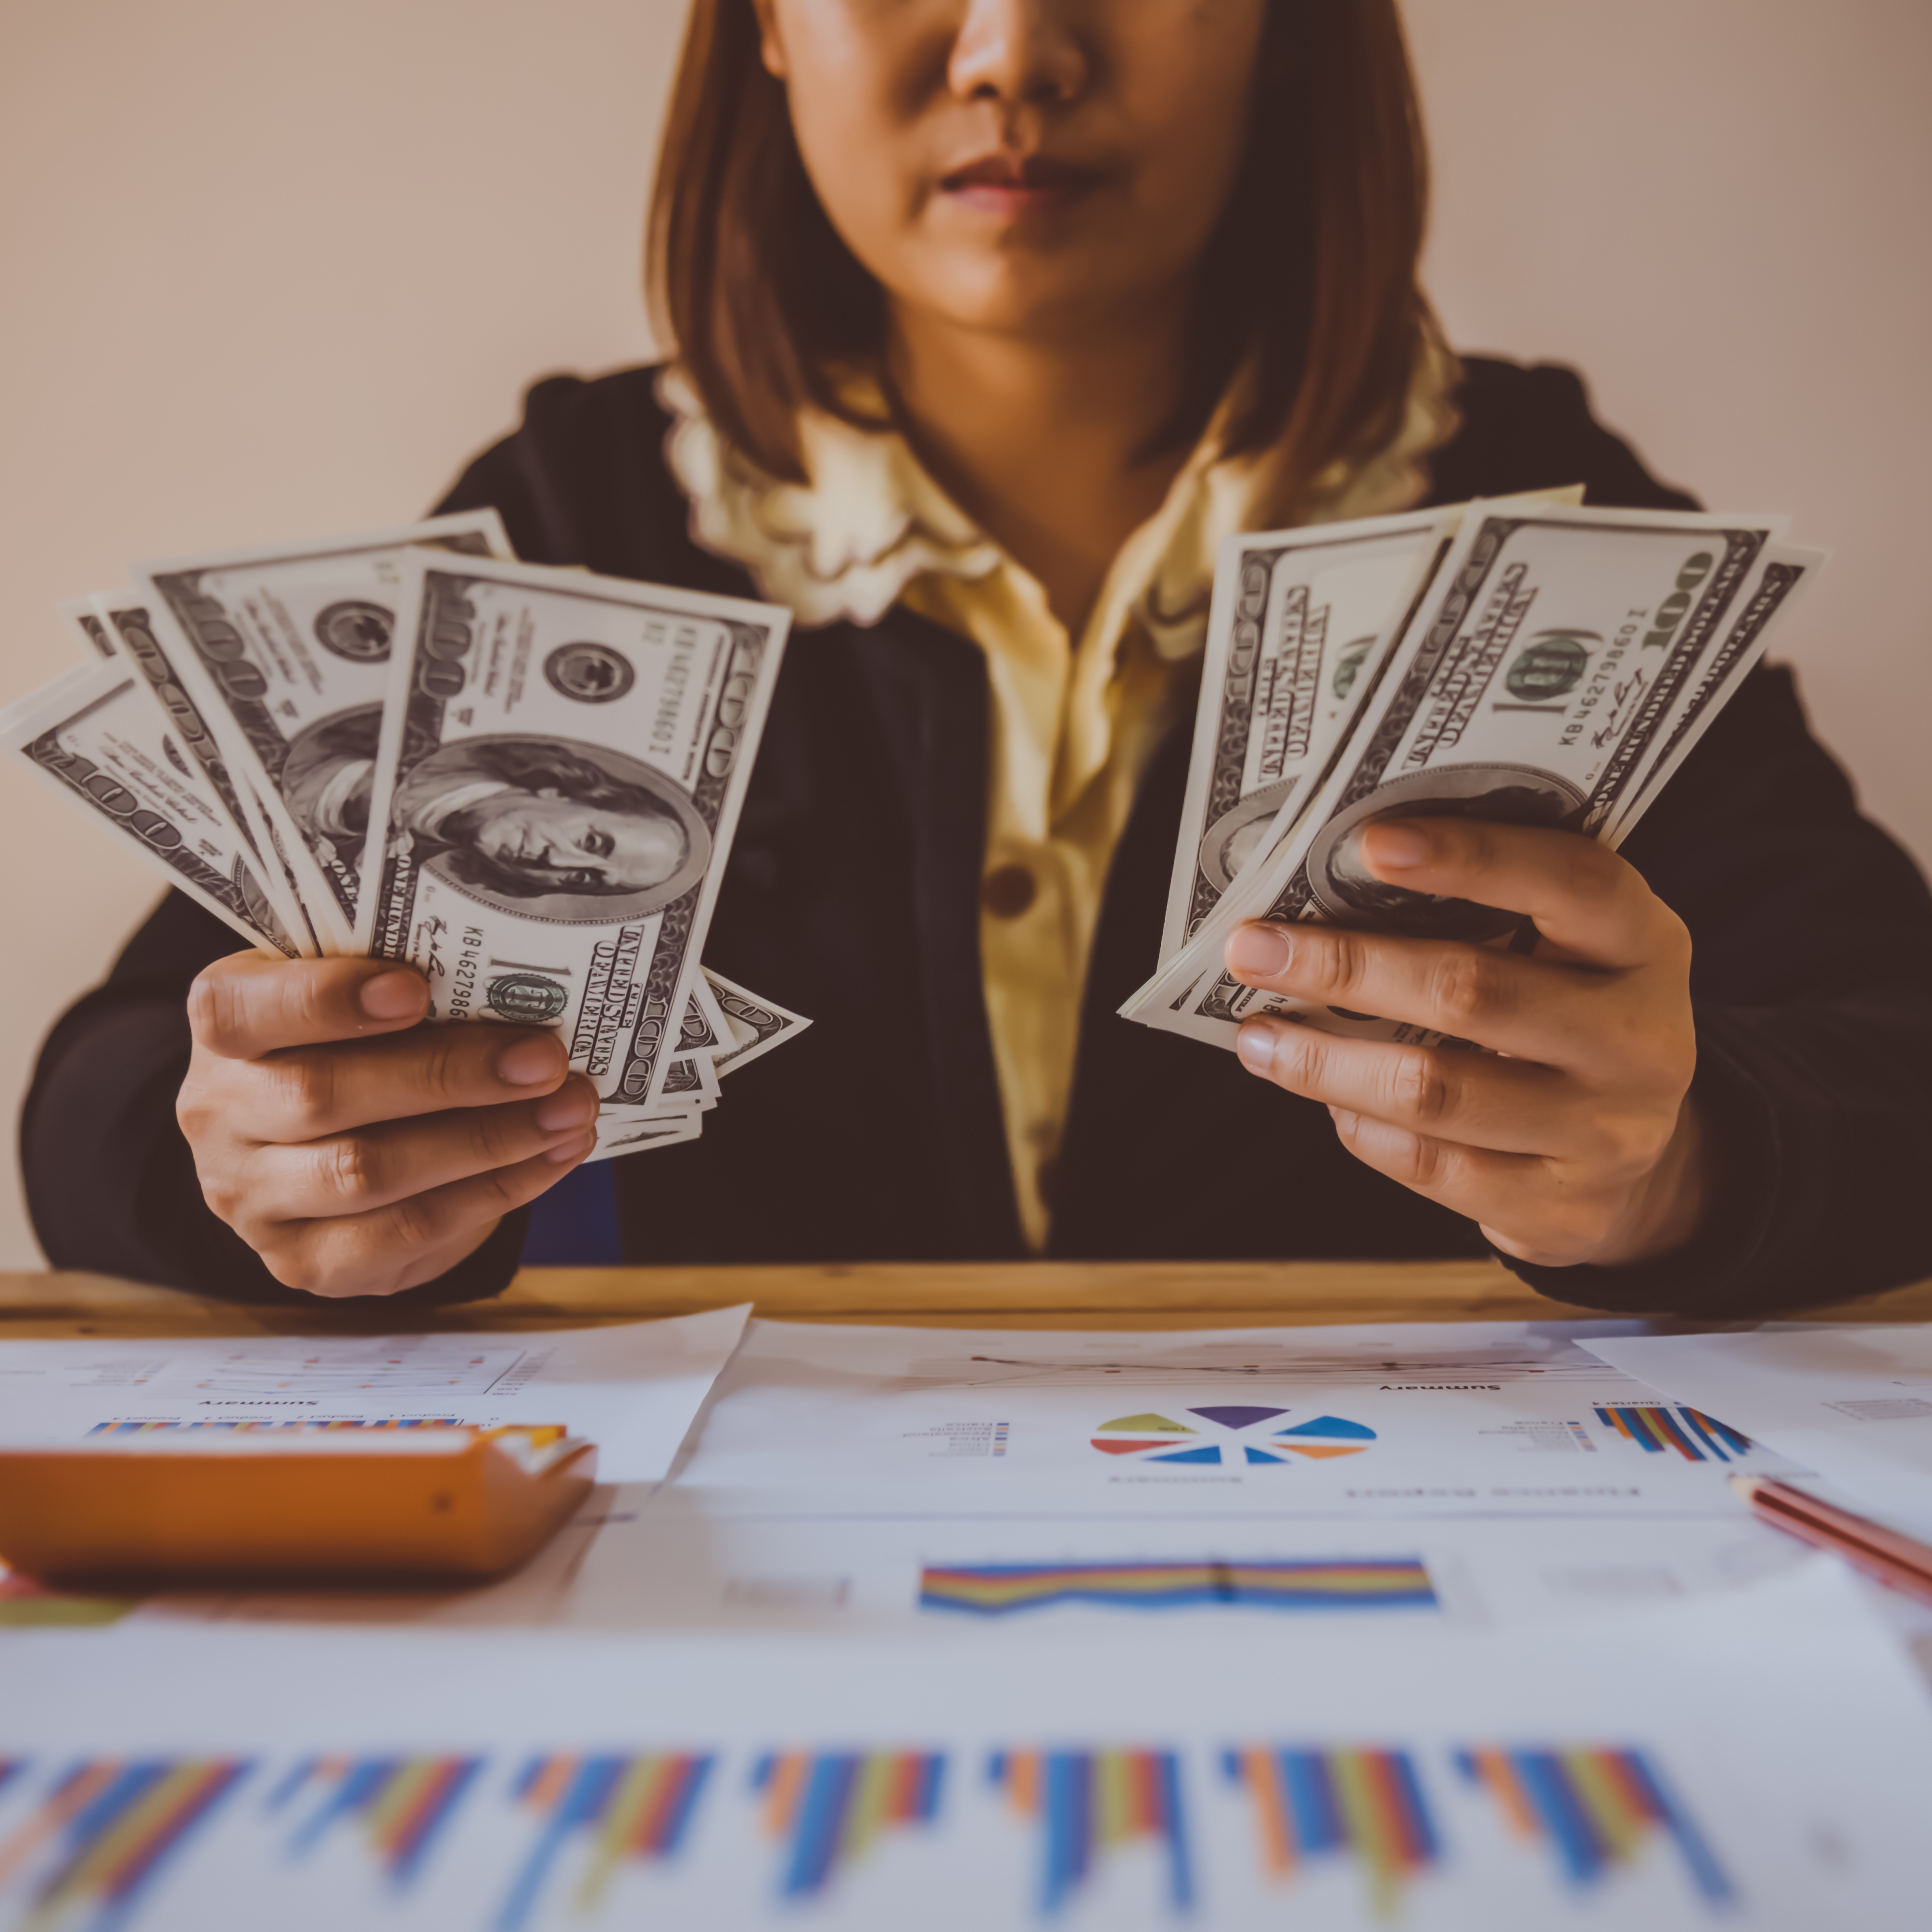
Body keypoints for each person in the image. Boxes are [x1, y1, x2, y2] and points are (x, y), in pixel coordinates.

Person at [25, 0, 1932, 1311]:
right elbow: (111, 1083)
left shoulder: (1537, 516)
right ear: (763, 22)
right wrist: (259, 1166)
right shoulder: (576, 507)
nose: (1015, 49)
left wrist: (1676, 1161)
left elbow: (1897, 1049)